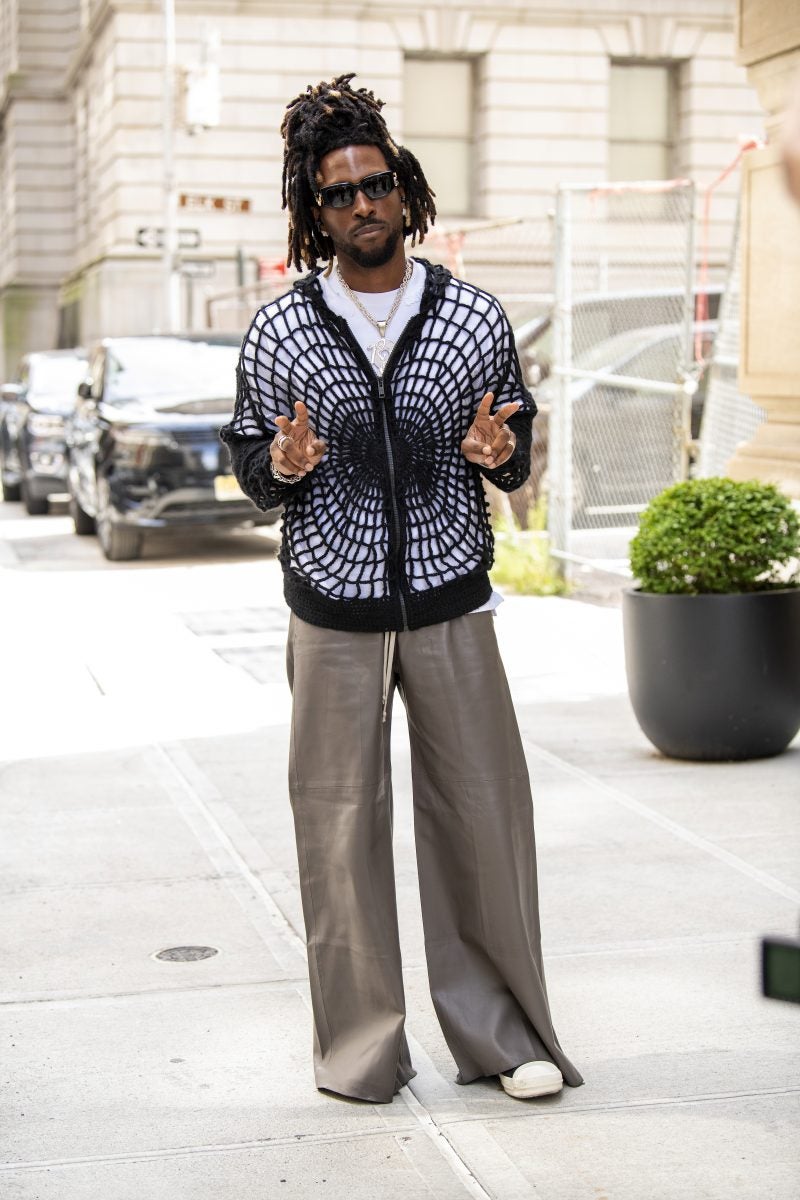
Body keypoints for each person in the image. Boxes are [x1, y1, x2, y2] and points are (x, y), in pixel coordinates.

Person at [220, 73, 583, 1105]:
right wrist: (281, 464)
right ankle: (361, 1051)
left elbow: (512, 443)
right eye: (337, 193)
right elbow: (249, 461)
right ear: (314, 208)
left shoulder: (469, 315)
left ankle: (503, 1038)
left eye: (374, 183)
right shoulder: (280, 331)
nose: (361, 205)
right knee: (336, 834)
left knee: (482, 819)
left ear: (405, 187)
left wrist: (497, 453)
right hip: (330, 611)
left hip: (449, 601)